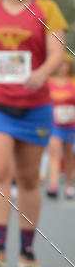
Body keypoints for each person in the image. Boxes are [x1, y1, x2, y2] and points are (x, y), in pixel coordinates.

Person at [0, 0, 68, 267]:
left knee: (29, 179)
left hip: (34, 105)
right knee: (0, 170)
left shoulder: (47, 9)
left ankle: (27, 251)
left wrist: (42, 73)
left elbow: (57, 52)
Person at [46, 53, 75, 199]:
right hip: (54, 124)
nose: (63, 67)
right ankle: (53, 185)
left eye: (65, 64)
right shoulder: (49, 82)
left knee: (69, 155)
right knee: (55, 154)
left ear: (69, 66)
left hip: (70, 125)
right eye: (60, 64)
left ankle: (69, 185)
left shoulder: (73, 82)